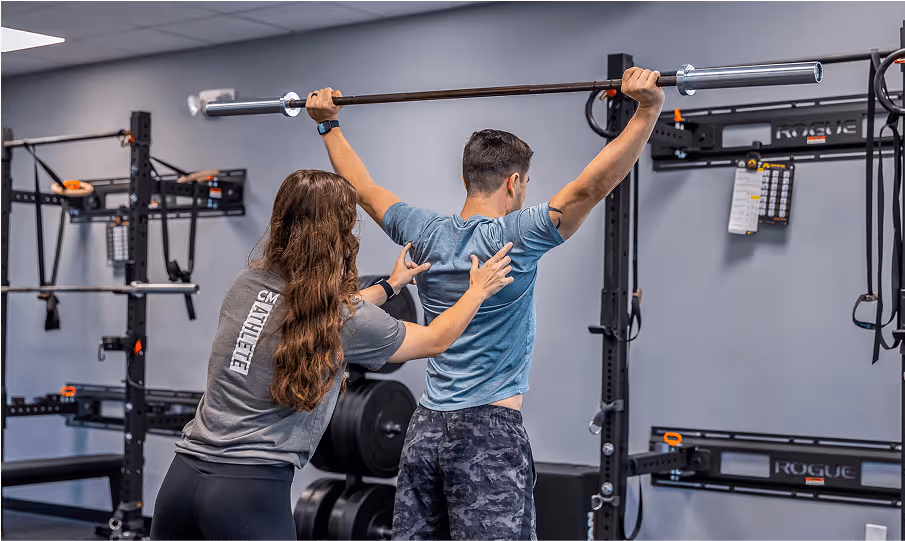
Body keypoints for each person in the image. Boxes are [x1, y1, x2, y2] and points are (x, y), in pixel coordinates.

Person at [306, 66, 665, 541]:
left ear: (466, 177)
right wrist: (647, 110)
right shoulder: (513, 237)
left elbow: (363, 190)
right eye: (526, 183)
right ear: (514, 182)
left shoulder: (424, 232)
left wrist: (328, 125)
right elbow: (590, 187)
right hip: (487, 433)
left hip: (425, 430)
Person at [149, 169, 514, 541]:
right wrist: (477, 291)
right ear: (338, 235)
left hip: (181, 484)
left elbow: (317, 317)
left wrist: (389, 286)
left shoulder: (248, 284)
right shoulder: (342, 319)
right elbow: (435, 339)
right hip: (247, 495)